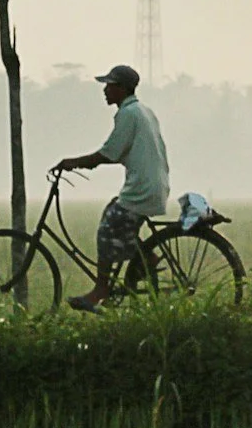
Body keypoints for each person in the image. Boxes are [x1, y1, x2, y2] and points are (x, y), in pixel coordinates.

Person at [52, 64, 170, 312]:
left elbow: (109, 153)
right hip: (152, 185)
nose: (105, 90)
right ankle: (145, 257)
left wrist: (72, 163)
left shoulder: (129, 114)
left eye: (110, 85)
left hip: (142, 189)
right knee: (112, 213)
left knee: (107, 230)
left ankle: (101, 289)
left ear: (122, 89)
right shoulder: (142, 111)